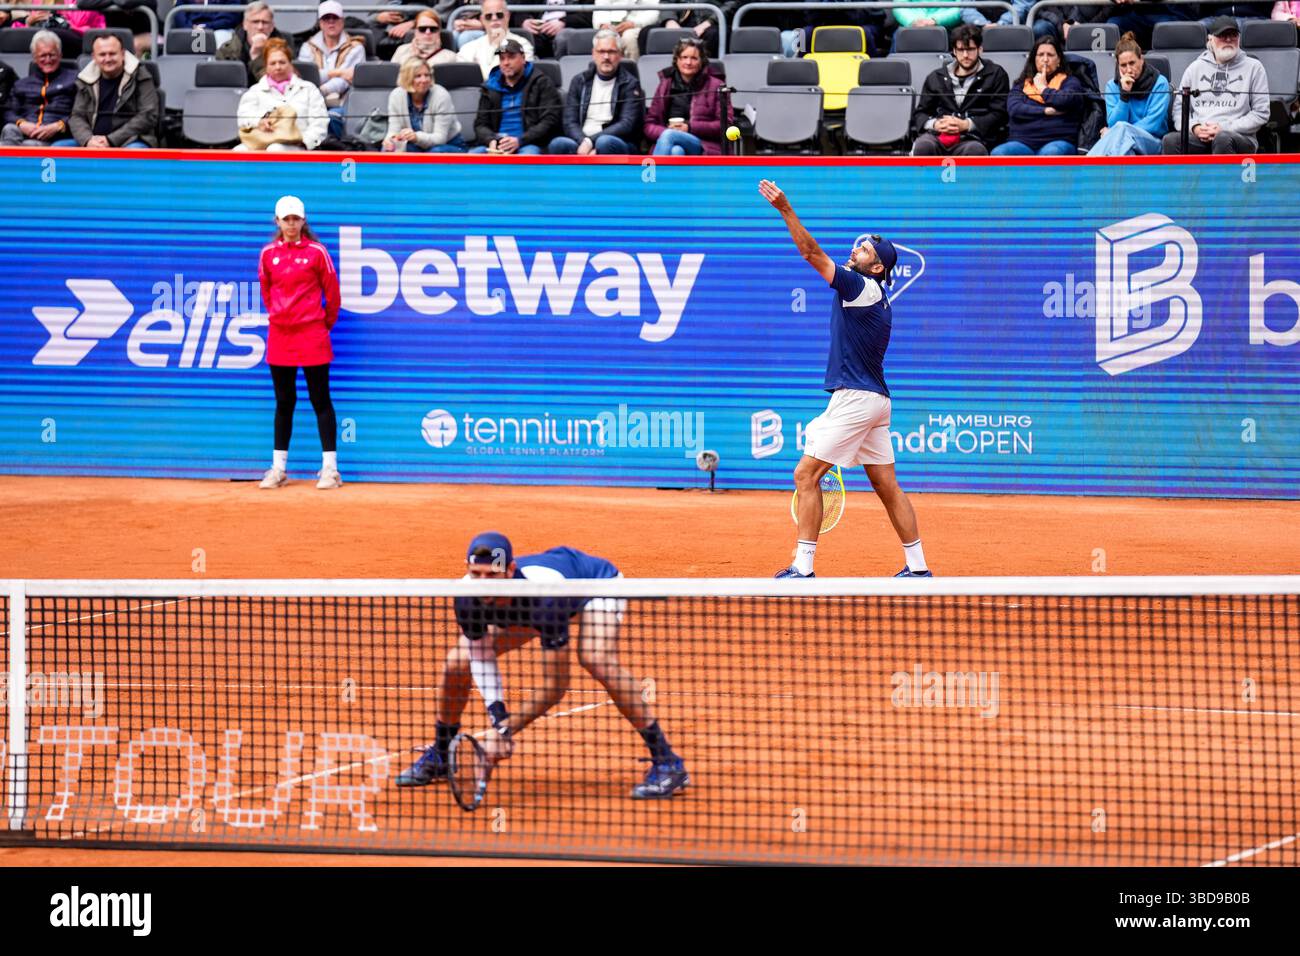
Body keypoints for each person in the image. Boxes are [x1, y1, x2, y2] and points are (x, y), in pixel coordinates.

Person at [395, 532, 691, 800]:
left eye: (492, 575)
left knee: (595, 657)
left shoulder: (545, 598)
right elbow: (480, 655)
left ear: (510, 571)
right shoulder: (468, 597)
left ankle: (667, 762)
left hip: (592, 587)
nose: (483, 582)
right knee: (456, 663)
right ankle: (442, 752)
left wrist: (504, 733)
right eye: (476, 574)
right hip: (522, 608)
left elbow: (555, 687)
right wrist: (498, 718)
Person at [757, 179, 931, 580]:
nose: (856, 249)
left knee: (806, 475)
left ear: (877, 267)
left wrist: (785, 208)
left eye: (865, 250)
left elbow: (810, 253)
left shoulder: (860, 285)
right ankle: (919, 568)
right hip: (876, 402)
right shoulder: (877, 294)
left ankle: (803, 568)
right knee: (887, 486)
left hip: (856, 399)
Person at [257, 196, 342, 491]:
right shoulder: (268, 254)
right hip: (280, 336)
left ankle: (330, 470)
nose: (291, 224)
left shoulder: (318, 252)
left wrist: (319, 324)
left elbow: (333, 296)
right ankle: (279, 469)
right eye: (286, 219)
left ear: (303, 221)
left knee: (320, 400)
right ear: (277, 221)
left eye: (296, 219)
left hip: (313, 335)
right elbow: (267, 292)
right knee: (284, 402)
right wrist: (281, 317)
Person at [1161, 17, 1269, 154]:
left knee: (1222, 139)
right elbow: (1179, 109)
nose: (1228, 40)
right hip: (1200, 135)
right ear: (1210, 39)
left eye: (1233, 35)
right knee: (1170, 141)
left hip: (1239, 136)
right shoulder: (1195, 68)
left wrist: (1224, 128)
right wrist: (1195, 128)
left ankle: (1224, 176)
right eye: (1222, 35)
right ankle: (1182, 177)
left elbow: (1261, 113)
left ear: (1239, 38)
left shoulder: (1254, 67)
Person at [910, 24, 1010, 156]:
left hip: (975, 138)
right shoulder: (936, 77)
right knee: (923, 146)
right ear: (954, 51)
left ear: (980, 49)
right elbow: (920, 113)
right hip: (938, 136)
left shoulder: (996, 74)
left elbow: (1000, 115)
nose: (965, 55)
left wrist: (967, 124)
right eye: (961, 50)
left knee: (974, 150)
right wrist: (935, 124)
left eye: (970, 49)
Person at [548, 28, 644, 154]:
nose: (606, 57)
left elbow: (626, 124)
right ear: (593, 54)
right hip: (581, 141)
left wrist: (591, 142)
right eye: (601, 51)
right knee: (558, 144)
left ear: (620, 55)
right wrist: (583, 142)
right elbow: (570, 121)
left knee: (604, 142)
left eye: (611, 52)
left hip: (615, 141)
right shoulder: (579, 81)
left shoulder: (630, 84)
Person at [990, 35, 1085, 155]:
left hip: (1058, 141)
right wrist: (1046, 111)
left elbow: (1065, 100)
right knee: (999, 153)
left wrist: (1042, 88)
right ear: (1034, 59)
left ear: (1059, 60)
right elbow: (1014, 109)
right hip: (1022, 142)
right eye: (1040, 55)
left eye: (1050, 55)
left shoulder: (1070, 82)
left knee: (1051, 153)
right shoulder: (1021, 85)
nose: (1045, 60)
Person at [236, 38, 329, 151]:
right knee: (238, 152)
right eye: (273, 63)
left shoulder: (309, 89)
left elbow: (320, 123)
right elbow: (243, 119)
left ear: (290, 64)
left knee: (276, 149)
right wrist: (258, 122)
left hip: (298, 145)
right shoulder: (255, 91)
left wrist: (305, 142)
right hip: (261, 142)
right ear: (266, 66)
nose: (278, 67)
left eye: (282, 62)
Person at [67, 32, 158, 148]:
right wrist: (88, 140)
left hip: (130, 141)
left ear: (123, 54)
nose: (107, 59)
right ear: (94, 57)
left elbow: (148, 116)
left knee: (135, 152)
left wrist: (111, 140)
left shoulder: (140, 75)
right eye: (102, 54)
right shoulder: (85, 79)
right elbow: (76, 116)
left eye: (112, 53)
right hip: (92, 141)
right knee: (58, 148)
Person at [643, 37, 731, 156]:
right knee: (676, 151)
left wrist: (689, 128)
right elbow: (649, 124)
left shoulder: (717, 86)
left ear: (702, 62)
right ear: (677, 60)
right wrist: (667, 131)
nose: (688, 63)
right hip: (668, 142)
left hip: (703, 144)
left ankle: (654, 174)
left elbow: (725, 124)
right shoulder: (665, 85)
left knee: (670, 136)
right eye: (684, 57)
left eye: (694, 58)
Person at [471, 38, 560, 154]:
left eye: (511, 57)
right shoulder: (490, 87)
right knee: (472, 157)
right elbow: (480, 124)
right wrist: (490, 140)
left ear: (523, 58)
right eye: (502, 58)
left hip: (529, 143)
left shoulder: (541, 83)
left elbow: (550, 120)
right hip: (496, 144)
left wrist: (520, 140)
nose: (506, 62)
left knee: (527, 157)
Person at [1087, 31, 1171, 155]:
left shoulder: (1160, 83)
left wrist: (1114, 133)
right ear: (1118, 65)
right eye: (1123, 65)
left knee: (1121, 129)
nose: (1129, 69)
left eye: (1132, 63)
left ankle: (1087, 167)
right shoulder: (1112, 86)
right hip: (1122, 143)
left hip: (1152, 141)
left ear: (1141, 60)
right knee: (1126, 152)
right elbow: (1113, 123)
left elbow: (1153, 124)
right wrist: (1124, 94)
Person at [298, 0, 366, 136]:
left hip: (344, 102)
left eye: (335, 18)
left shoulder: (356, 47)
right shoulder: (308, 47)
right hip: (312, 101)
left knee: (331, 118)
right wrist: (339, 72)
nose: (331, 22)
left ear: (342, 21)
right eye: (326, 18)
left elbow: (347, 80)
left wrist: (322, 89)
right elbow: (308, 77)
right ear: (320, 23)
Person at [1, 30, 78, 146]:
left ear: (60, 55)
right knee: (9, 129)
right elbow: (9, 111)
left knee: (29, 145)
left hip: (56, 134)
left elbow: (81, 113)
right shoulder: (22, 84)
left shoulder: (74, 79)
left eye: (52, 54)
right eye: (43, 55)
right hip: (27, 129)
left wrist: (59, 125)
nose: (48, 60)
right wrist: (21, 123)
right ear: (34, 58)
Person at [383, 58, 465, 152]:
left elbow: (440, 138)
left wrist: (416, 137)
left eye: (427, 75)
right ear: (407, 78)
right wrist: (390, 139)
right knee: (389, 150)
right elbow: (394, 129)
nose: (424, 80)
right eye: (418, 76)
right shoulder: (396, 95)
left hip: (448, 145)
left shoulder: (441, 95)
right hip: (416, 146)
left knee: (435, 153)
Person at [217, 2, 295, 86]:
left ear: (272, 26)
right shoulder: (227, 50)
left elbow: (282, 85)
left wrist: (257, 57)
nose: (260, 27)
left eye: (265, 22)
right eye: (255, 22)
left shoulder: (285, 48)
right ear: (245, 25)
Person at [457, 0, 533, 79]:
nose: (494, 19)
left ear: (507, 16)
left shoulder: (523, 44)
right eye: (488, 16)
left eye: (499, 15)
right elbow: (463, 77)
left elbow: (522, 75)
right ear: (482, 20)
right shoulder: (468, 48)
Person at [516, 0, 592, 59]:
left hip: (568, 28)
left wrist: (564, 22)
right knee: (526, 38)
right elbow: (518, 10)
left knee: (562, 38)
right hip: (539, 29)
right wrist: (524, 21)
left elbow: (588, 16)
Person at [391, 9, 458, 69]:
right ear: (415, 31)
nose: (428, 32)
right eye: (422, 29)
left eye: (433, 29)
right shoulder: (402, 51)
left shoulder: (450, 57)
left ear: (439, 31)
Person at [592, 0, 660, 60]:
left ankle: (632, 69)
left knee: (629, 36)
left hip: (637, 25)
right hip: (610, 25)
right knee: (604, 36)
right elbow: (599, 9)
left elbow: (653, 12)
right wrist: (603, 24)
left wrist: (634, 24)